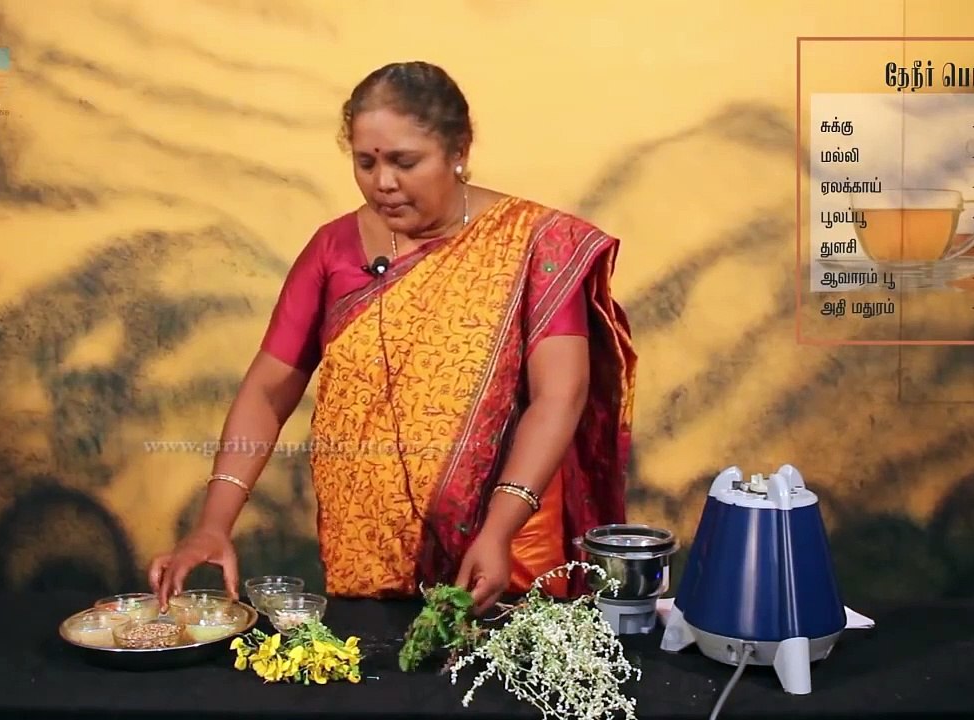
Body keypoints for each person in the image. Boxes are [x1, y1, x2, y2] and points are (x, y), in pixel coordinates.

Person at [147, 60, 636, 614]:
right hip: (368, 562)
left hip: (505, 559)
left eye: (406, 161)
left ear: (460, 150)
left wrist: (498, 532)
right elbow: (267, 390)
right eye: (365, 162)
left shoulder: (535, 245)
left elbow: (560, 395)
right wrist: (214, 524)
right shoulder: (332, 249)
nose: (383, 182)